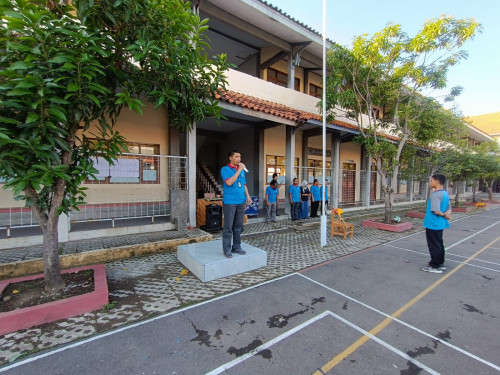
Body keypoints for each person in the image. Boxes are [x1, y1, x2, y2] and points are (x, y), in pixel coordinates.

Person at [220, 150, 252, 258]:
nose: (239, 159)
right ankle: (227, 249)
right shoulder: (225, 169)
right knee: (228, 227)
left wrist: (247, 196)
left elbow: (244, 185)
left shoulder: (241, 171)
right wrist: (239, 170)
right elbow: (229, 182)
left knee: (238, 226)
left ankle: (236, 247)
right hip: (230, 202)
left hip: (241, 201)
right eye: (237, 156)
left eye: (240, 157)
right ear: (230, 158)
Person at [421, 174, 452, 273]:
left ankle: (434, 266)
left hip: (433, 224)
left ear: (437, 182)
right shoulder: (445, 194)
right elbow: (449, 207)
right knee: (439, 244)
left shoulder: (436, 195)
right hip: (439, 224)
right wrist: (447, 214)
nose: (430, 183)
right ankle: (440, 262)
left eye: (431, 181)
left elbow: (436, 211)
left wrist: (444, 215)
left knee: (434, 245)